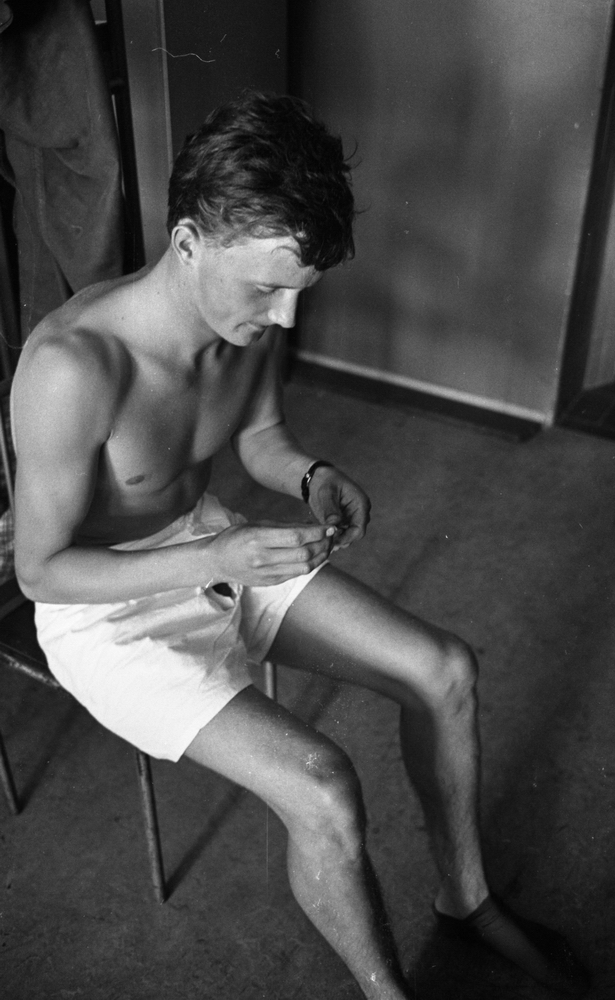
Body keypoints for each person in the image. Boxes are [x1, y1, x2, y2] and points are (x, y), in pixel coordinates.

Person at [11, 91, 586, 1000]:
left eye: (297, 292)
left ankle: (466, 901)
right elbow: (40, 572)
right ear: (189, 241)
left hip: (209, 548)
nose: (282, 318)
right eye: (266, 289)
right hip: (102, 613)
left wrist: (311, 474)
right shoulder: (72, 366)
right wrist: (215, 560)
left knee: (444, 671)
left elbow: (259, 438)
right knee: (323, 782)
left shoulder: (240, 321)